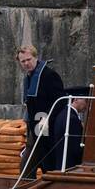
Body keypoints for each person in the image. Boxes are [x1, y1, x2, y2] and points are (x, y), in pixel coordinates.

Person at [16, 44, 64, 176]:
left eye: (29, 59)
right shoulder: (28, 78)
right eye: (23, 61)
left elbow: (60, 100)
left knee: (36, 163)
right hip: (34, 126)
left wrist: (46, 118)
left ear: (36, 57)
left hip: (46, 125)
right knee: (40, 162)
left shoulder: (49, 75)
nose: (26, 63)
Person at [43, 89, 89, 172]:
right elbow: (75, 147)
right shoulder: (71, 118)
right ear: (75, 99)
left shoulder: (64, 114)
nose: (87, 104)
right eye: (86, 101)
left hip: (62, 163)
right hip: (69, 166)